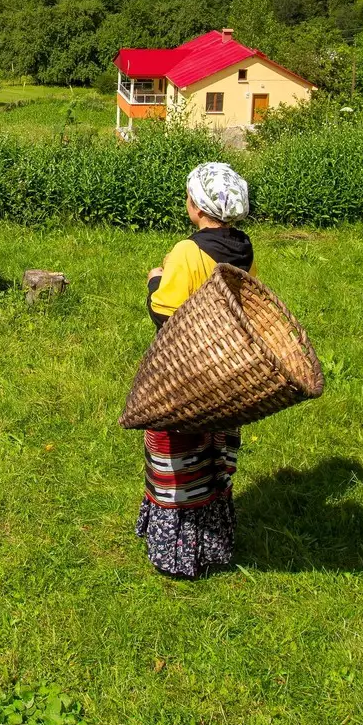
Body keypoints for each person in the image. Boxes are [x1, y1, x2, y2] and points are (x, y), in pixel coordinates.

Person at [135, 161, 253, 578]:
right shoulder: (244, 247)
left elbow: (165, 315)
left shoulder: (188, 252)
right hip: (225, 371)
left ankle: (176, 549)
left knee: (176, 453)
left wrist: (155, 280)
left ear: (198, 209)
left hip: (184, 374)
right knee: (211, 452)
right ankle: (212, 540)